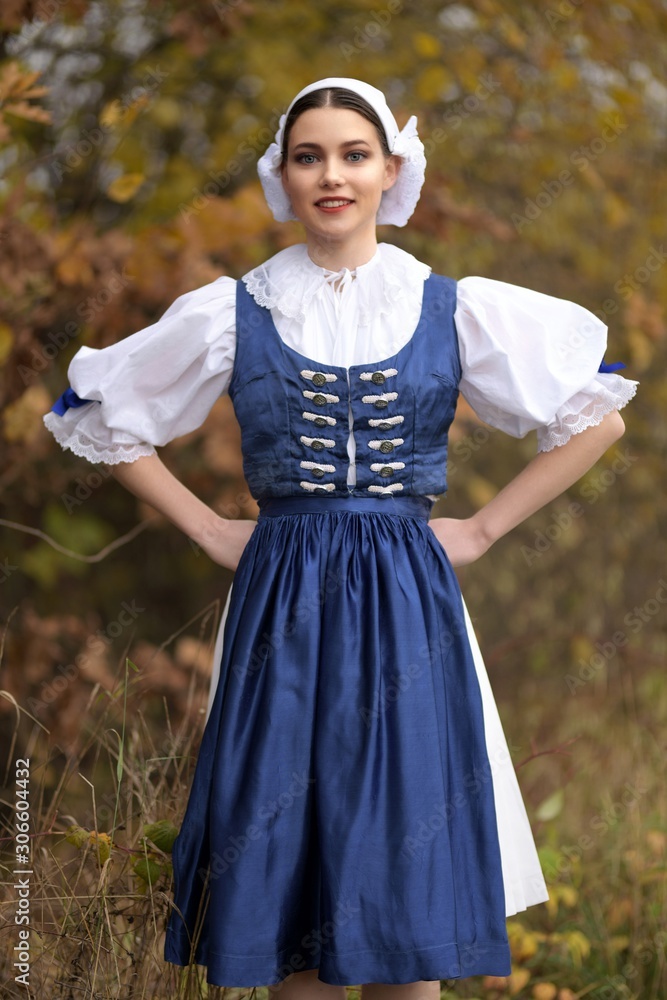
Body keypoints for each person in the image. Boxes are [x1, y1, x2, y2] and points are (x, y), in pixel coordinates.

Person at [43, 77, 638, 998]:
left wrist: (479, 529)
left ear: (390, 170)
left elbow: (594, 417)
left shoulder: (448, 304)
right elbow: (95, 414)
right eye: (309, 155)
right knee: (298, 904)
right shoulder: (235, 307)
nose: (332, 174)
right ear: (282, 175)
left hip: (409, 602)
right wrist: (209, 530)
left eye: (353, 155)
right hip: (282, 601)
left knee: (405, 904)